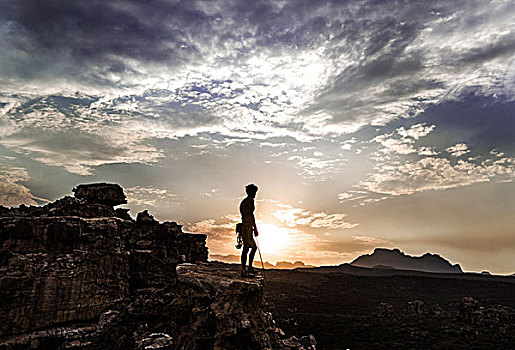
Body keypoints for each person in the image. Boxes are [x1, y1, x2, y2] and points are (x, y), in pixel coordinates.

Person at [239, 184, 259, 277]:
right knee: (252, 248)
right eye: (254, 192)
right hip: (247, 227)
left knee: (246, 248)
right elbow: (251, 215)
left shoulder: (244, 202)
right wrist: (255, 228)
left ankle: (246, 268)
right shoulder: (250, 201)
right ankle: (246, 269)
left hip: (245, 227)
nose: (255, 194)